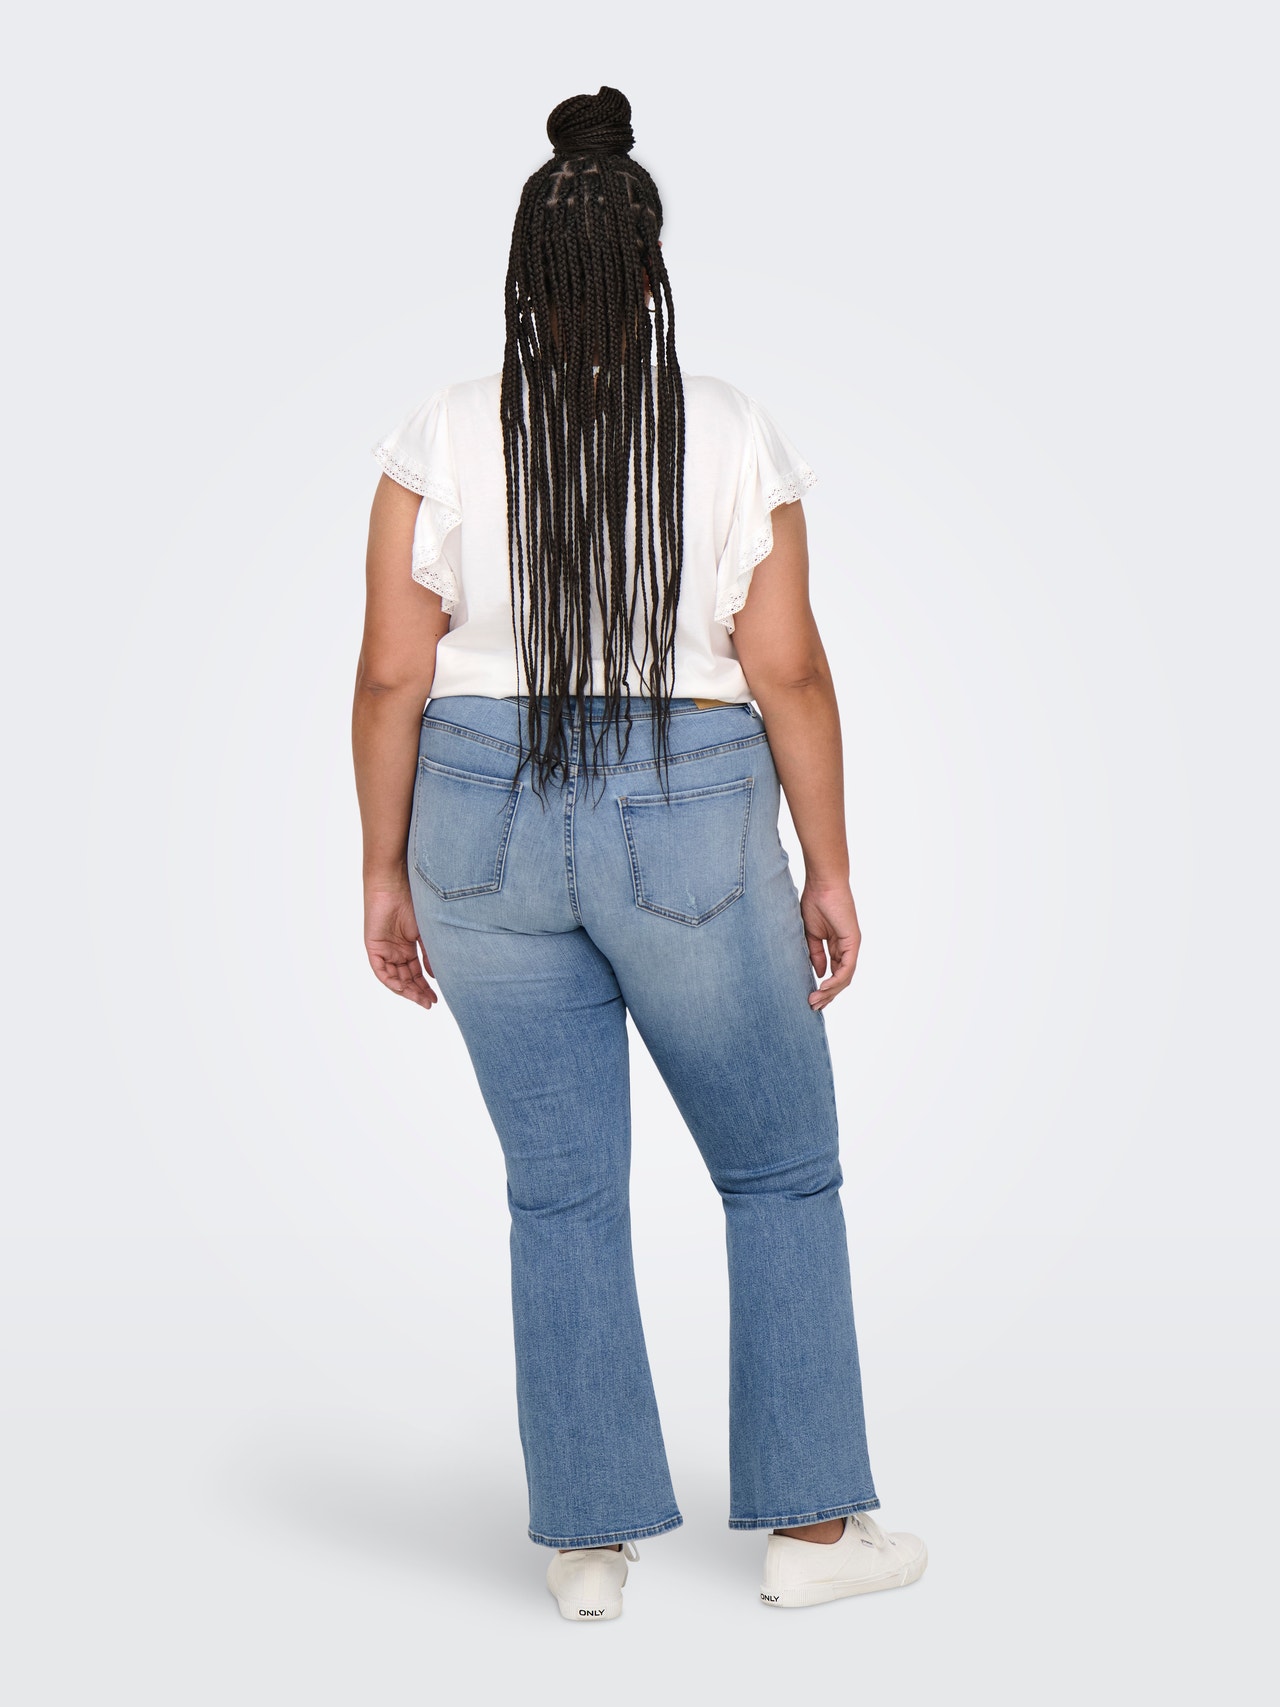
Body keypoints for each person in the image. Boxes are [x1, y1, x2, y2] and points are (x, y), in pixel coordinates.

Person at [351, 85, 927, 1621]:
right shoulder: (725, 428)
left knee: (560, 1192)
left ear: (525, 270)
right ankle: (815, 1540)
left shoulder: (440, 431)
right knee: (780, 1172)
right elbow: (786, 669)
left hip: (475, 809)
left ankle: (588, 1550)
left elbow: (394, 676)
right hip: (684, 808)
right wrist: (829, 865)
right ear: (649, 267)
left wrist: (385, 869)